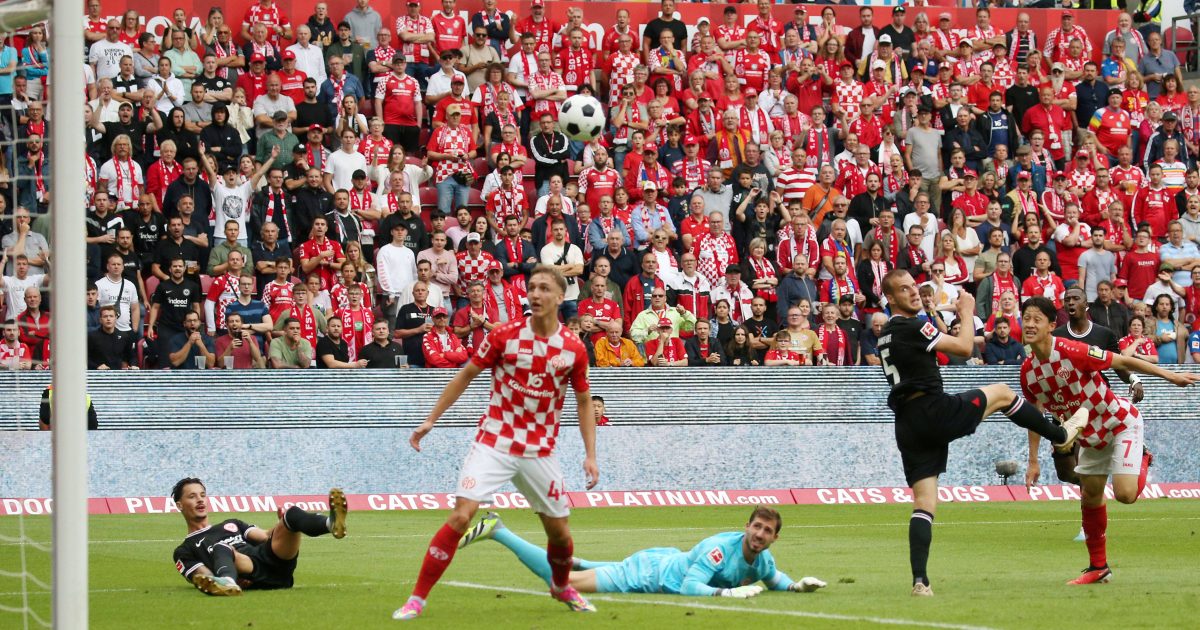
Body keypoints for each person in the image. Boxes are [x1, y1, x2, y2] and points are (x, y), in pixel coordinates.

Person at [395, 266, 599, 621]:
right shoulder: (504, 335)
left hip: (539, 451)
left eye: (544, 288)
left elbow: (583, 401)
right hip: (495, 441)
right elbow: (466, 374)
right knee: (461, 516)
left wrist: (590, 455)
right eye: (531, 287)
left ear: (559, 296)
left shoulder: (573, 348)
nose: (535, 294)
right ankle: (417, 598)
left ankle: (562, 586)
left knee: (561, 535)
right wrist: (431, 419)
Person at [877, 269, 1082, 596]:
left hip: (908, 424)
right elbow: (961, 347)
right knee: (1002, 392)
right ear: (890, 298)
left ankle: (920, 581)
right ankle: (1060, 436)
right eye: (904, 290)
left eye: (913, 287)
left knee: (925, 503)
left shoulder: (886, 332)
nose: (913, 293)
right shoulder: (914, 325)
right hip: (931, 410)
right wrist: (967, 309)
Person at [1019, 296, 1199, 585]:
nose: (1029, 324)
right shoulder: (1028, 373)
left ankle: (1143, 456)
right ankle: (1098, 567)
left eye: (1036, 319)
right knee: (1089, 497)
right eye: (1026, 318)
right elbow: (1034, 416)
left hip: (1119, 423)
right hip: (1090, 439)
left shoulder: (1073, 350)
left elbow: (1123, 360)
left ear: (1052, 325)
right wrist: (1032, 461)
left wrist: (1170, 376)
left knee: (1125, 495)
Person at [458, 506, 825, 598]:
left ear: (774, 538)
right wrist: (728, 593)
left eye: (767, 531)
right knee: (563, 584)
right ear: (746, 527)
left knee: (572, 566)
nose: (760, 534)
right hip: (650, 574)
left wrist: (795, 587)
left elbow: (774, 579)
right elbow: (689, 588)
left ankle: (583, 559)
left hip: (663, 559)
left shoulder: (763, 558)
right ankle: (499, 530)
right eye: (756, 527)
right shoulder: (719, 549)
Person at [171, 478, 345, 596]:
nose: (200, 500)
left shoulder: (231, 523)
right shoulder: (184, 550)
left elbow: (265, 536)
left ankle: (332, 524)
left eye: (202, 495)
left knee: (291, 514)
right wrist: (223, 578)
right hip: (251, 570)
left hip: (274, 563)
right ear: (179, 505)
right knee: (221, 547)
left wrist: (281, 524)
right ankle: (227, 582)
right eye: (192, 497)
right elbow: (203, 577)